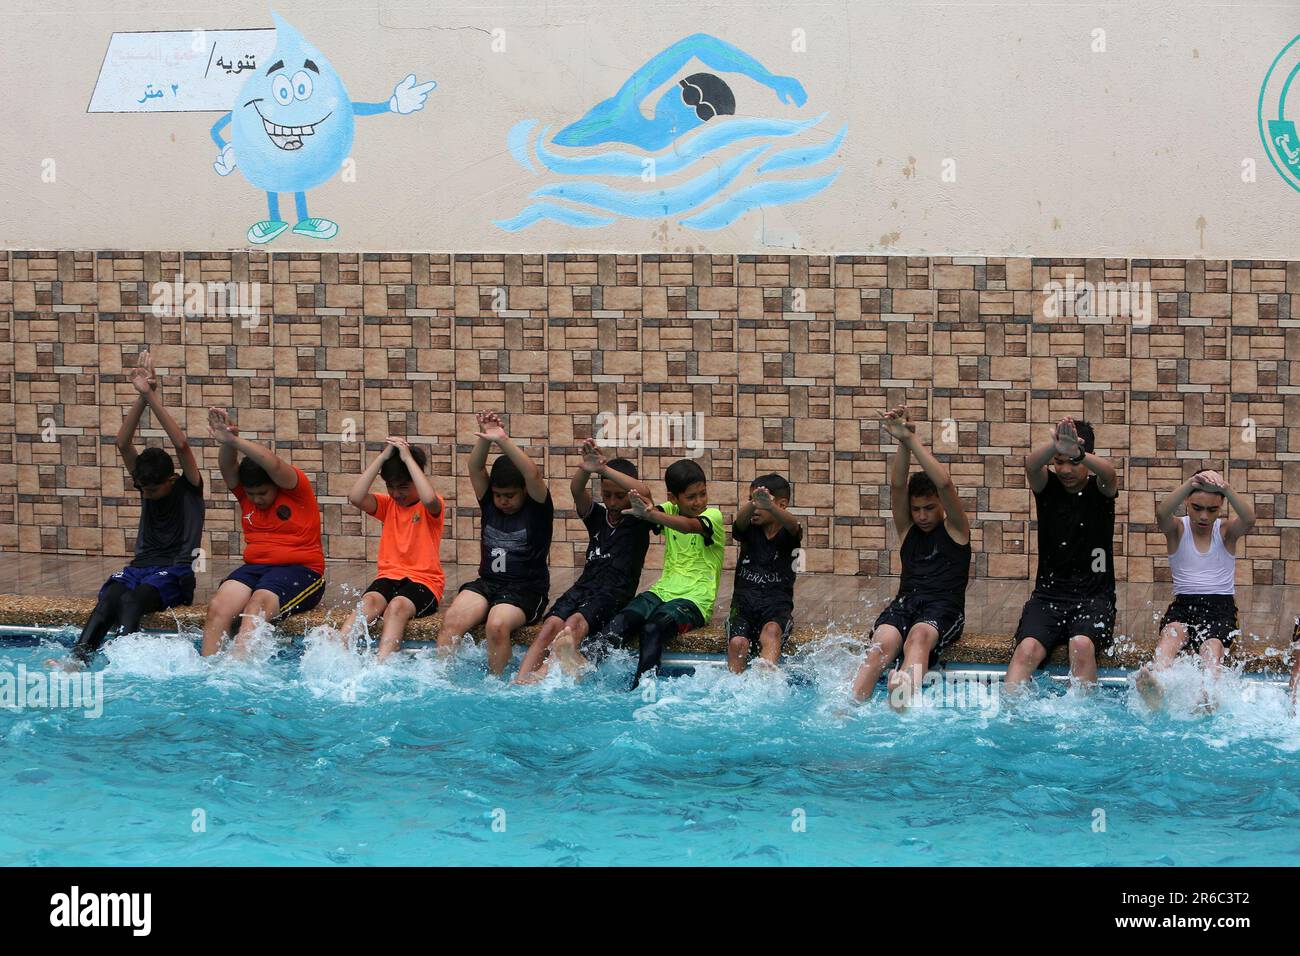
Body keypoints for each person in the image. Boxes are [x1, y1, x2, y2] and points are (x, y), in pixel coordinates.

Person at [49, 352, 204, 668]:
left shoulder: (188, 487)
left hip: (175, 571)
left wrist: (152, 397)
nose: (147, 494)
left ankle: (122, 666)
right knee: (108, 600)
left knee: (132, 600)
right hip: (140, 567)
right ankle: (77, 661)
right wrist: (142, 397)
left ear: (171, 480)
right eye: (143, 488)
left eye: (153, 489)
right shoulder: (146, 484)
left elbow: (182, 445)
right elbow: (122, 443)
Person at [548, 458, 725, 690]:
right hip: (662, 591)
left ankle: (641, 689)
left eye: (703, 494)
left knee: (652, 628)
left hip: (694, 601)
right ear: (673, 497)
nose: (699, 501)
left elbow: (687, 526)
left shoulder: (713, 516)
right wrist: (646, 510)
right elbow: (647, 499)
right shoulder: (668, 509)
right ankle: (585, 665)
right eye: (691, 497)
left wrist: (650, 514)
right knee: (622, 621)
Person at [851, 406, 970, 708]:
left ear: (941, 506)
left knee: (918, 638)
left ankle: (902, 696)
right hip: (906, 604)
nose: (921, 516)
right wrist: (901, 442)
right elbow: (897, 486)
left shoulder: (956, 530)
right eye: (916, 509)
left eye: (929, 508)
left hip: (943, 610)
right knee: (882, 644)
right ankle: (848, 708)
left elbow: (944, 483)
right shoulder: (908, 530)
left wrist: (913, 440)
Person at [513, 439, 653, 684]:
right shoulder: (598, 516)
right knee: (550, 626)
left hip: (613, 593)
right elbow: (577, 490)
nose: (612, 501)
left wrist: (605, 469)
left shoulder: (639, 519)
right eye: (607, 495)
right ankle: (519, 679)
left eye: (619, 496)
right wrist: (587, 468)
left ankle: (542, 676)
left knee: (573, 624)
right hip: (584, 586)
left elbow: (644, 492)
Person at [1004, 417, 1119, 692]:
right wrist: (1056, 445)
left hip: (1094, 598)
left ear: (1086, 458)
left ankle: (1082, 722)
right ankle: (1008, 722)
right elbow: (1031, 464)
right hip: (1048, 596)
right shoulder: (1047, 488)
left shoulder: (1100, 491)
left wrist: (1078, 452)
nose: (1065, 469)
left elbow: (1110, 474)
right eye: (1059, 461)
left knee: (1081, 645)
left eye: (1074, 462)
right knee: (1026, 650)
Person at [200, 407, 325, 657]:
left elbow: (274, 463)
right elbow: (228, 469)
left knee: (256, 605)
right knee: (218, 606)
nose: (256, 500)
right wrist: (226, 444)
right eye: (251, 494)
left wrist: (236, 440)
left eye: (263, 493)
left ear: (275, 485)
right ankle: (207, 671)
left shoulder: (295, 491)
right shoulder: (245, 494)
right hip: (256, 568)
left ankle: (239, 668)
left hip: (301, 570)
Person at [438, 412, 553, 675]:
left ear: (524, 490)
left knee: (497, 624)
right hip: (488, 583)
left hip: (526, 590)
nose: (503, 501)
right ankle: (442, 679)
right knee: (452, 620)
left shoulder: (537, 509)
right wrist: (485, 440)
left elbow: (533, 474)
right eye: (498, 495)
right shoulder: (489, 503)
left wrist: (503, 440)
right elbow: (475, 468)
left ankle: (496, 684)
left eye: (510, 495)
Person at [552, 34, 807, 150]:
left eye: (704, 111)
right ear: (675, 86)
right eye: (691, 97)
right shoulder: (625, 108)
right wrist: (767, 78)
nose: (691, 109)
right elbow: (697, 43)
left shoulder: (670, 143)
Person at [1136, 470, 1254, 710]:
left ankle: (1208, 692)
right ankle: (1157, 683)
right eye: (1197, 507)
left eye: (1212, 510)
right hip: (1184, 603)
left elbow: (1249, 519)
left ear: (1221, 506)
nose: (1203, 516)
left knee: (1212, 645)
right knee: (1171, 634)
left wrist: (1227, 489)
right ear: (1187, 502)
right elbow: (1161, 513)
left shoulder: (1225, 532)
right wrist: (1189, 483)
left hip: (1220, 606)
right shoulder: (1178, 529)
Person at [335, 438, 445, 662]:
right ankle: (337, 653)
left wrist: (407, 458)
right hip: (388, 577)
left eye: (403, 487)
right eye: (391, 487)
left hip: (425, 583)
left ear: (416, 479)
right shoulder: (388, 505)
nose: (396, 493)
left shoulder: (431, 507)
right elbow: (355, 497)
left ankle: (382, 664)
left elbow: (429, 497)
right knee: (368, 603)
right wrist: (382, 458)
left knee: (395, 608)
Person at [726, 475, 802, 674]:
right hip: (743, 607)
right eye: (752, 501)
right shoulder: (748, 528)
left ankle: (765, 686)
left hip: (775, 607)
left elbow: (794, 525)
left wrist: (770, 506)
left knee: (771, 632)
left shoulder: (789, 534)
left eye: (762, 504)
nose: (755, 508)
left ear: (782, 505)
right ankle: (736, 691)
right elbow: (739, 522)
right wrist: (755, 503)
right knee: (738, 643)